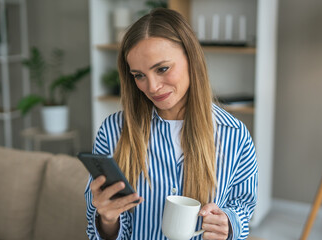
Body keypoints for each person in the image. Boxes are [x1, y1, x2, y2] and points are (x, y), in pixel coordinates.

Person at [85, 8, 257, 240]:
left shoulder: (235, 135)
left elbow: (243, 208)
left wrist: (228, 225)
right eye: (139, 75)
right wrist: (106, 219)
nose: (152, 87)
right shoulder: (114, 132)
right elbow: (100, 230)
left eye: (162, 69)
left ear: (191, 59)